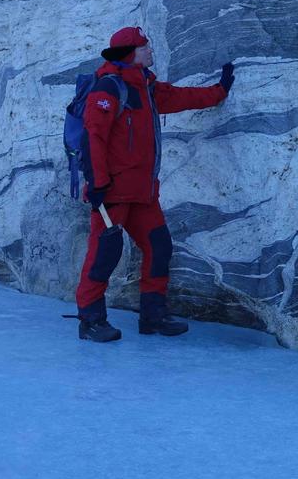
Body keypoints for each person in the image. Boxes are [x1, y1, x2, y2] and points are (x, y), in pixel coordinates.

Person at [74, 26, 235, 342]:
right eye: (145, 47)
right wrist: (97, 183)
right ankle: (91, 320)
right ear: (131, 53)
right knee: (104, 253)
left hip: (143, 194)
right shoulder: (109, 89)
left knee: (159, 246)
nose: (150, 51)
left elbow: (180, 97)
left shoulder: (146, 88)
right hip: (113, 193)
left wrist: (220, 90)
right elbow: (93, 137)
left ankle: (153, 315)